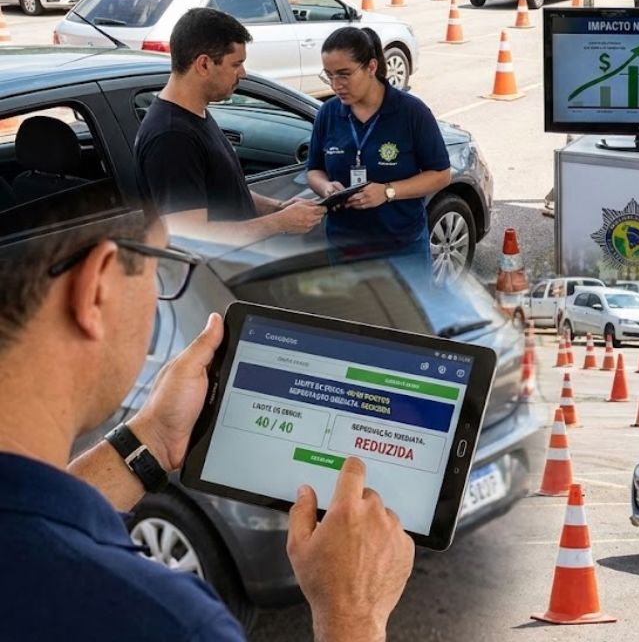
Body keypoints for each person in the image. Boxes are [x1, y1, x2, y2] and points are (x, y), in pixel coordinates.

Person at [0, 202, 413, 641]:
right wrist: (351, 618)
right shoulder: (161, 622)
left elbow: (30, 522)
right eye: (158, 269)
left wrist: (153, 440)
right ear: (96, 287)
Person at [135, 8, 325, 245]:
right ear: (203, 64)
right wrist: (279, 223)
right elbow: (189, 236)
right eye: (236, 64)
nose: (243, 74)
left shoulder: (195, 114)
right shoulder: (172, 137)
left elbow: (227, 190)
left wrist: (278, 208)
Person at [306, 27, 451, 269]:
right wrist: (326, 187)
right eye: (329, 76)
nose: (336, 85)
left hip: (402, 248)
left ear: (371, 67)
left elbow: (441, 174)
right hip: (344, 248)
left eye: (344, 74)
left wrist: (387, 191)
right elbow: (314, 170)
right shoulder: (328, 114)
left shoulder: (411, 112)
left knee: (407, 309)